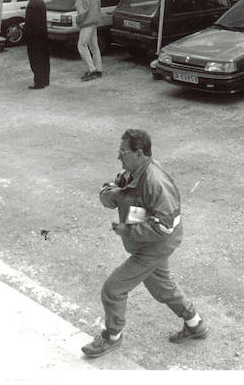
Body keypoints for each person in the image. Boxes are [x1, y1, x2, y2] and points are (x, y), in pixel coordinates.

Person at [82, 129, 207, 358]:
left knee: (113, 289)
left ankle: (111, 338)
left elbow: (164, 226)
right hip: (148, 242)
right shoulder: (134, 171)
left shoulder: (155, 182)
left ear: (139, 153)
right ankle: (195, 324)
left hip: (156, 244)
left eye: (123, 152)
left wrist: (127, 229)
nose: (119, 157)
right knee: (162, 287)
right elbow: (112, 187)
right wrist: (113, 195)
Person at [75, 0, 103, 81]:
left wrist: (79, 21)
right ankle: (98, 68)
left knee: (82, 45)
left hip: (86, 22)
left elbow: (82, 10)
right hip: (94, 21)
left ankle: (91, 70)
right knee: (94, 46)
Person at [23, 0, 50, 89]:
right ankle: (45, 80)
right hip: (42, 34)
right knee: (43, 58)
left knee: (35, 59)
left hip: (34, 37)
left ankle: (39, 82)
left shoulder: (31, 4)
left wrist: (24, 28)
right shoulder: (40, 1)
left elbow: (32, 23)